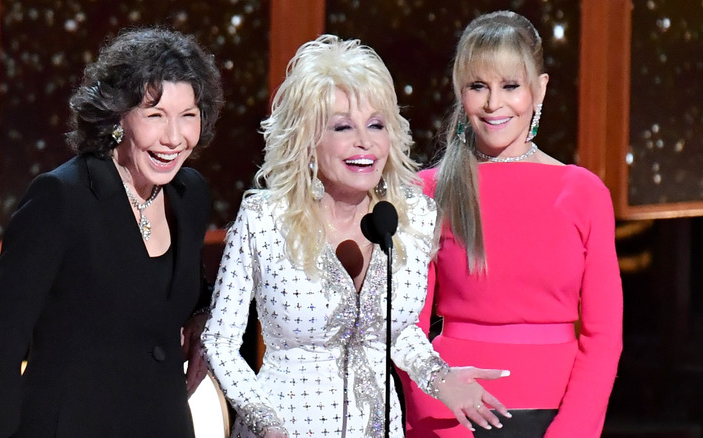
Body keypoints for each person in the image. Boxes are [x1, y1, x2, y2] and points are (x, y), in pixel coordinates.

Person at [201, 34, 511, 438]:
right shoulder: (265, 218)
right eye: (343, 127)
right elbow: (220, 342)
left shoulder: (411, 216)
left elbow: (399, 331)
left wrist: (441, 379)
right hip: (286, 428)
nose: (365, 141)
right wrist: (266, 423)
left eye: (376, 124)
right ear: (308, 140)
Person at [0, 27, 223, 437]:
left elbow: (178, 289)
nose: (174, 138)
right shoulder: (63, 198)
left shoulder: (190, 194)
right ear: (117, 115)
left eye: (188, 115)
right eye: (155, 115)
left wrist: (201, 316)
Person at [399, 10, 623, 438]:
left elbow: (604, 335)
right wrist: (438, 418)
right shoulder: (427, 190)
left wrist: (571, 432)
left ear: (539, 90)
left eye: (510, 86)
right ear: (459, 92)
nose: (493, 103)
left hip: (557, 415)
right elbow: (407, 326)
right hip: (449, 416)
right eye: (478, 86)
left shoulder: (583, 192)